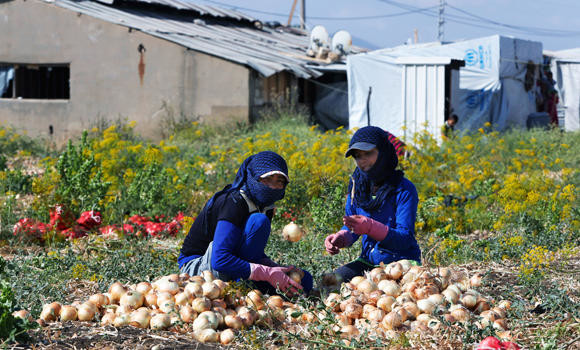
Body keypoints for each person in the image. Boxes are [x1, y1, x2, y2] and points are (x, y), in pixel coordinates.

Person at [178, 151, 312, 295]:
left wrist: (275, 268)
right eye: (267, 179)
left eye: (279, 181)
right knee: (259, 221)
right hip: (199, 268)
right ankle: (242, 286)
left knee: (305, 280)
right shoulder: (234, 202)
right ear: (253, 177)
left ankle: (246, 285)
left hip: (229, 263)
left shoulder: (265, 206)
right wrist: (267, 273)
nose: (272, 187)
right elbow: (220, 259)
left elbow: (251, 251)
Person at [324, 126, 421, 283]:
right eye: (357, 156)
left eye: (368, 153)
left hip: (402, 264)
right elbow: (352, 227)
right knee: (331, 281)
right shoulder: (357, 187)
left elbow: (405, 239)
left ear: (383, 152)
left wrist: (370, 227)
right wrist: (341, 238)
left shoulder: (404, 189)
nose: (362, 161)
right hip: (369, 262)